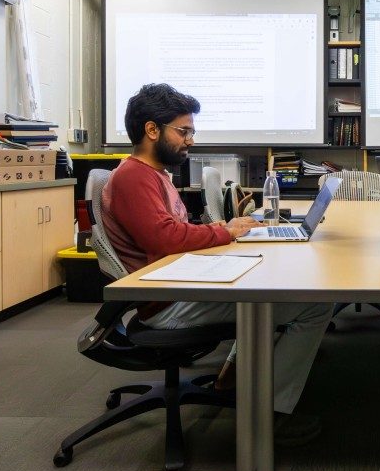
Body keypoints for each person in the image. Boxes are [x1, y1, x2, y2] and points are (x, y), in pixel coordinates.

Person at [101, 83, 333, 446]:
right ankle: (269, 416)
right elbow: (164, 239)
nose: (190, 140)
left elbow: (172, 232)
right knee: (314, 307)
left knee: (260, 281)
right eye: (184, 131)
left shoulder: (153, 174)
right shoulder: (134, 176)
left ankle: (229, 378)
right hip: (165, 303)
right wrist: (224, 233)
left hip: (177, 284)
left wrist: (222, 231)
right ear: (152, 130)